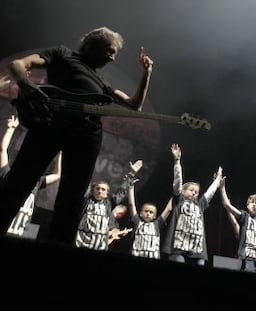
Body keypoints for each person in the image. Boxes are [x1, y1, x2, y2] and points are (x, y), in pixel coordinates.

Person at [0, 26, 154, 244]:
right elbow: (16, 65)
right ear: (93, 45)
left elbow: (134, 105)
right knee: (18, 184)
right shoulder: (62, 54)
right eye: (109, 51)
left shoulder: (101, 83)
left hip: (84, 137)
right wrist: (26, 86)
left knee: (71, 200)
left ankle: (59, 257)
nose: (111, 58)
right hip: (49, 126)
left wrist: (146, 74)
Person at [0, 114, 62, 238]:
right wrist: (10, 129)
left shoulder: (36, 182)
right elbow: (3, 150)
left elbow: (57, 174)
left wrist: (59, 153)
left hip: (20, 234)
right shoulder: (8, 174)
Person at [161, 143, 223, 266]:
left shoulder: (200, 205)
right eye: (191, 190)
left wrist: (217, 181)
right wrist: (177, 161)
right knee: (179, 261)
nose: (194, 193)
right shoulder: (179, 201)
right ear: (183, 192)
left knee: (200, 264)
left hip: (196, 243)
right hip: (179, 241)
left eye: (196, 192)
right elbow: (177, 181)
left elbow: (209, 194)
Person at [75, 159, 141, 251]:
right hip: (80, 242)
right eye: (97, 188)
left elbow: (121, 192)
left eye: (103, 189)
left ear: (107, 194)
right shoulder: (87, 201)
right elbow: (86, 182)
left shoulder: (109, 204)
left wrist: (132, 173)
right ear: (93, 191)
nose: (99, 191)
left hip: (99, 245)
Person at [127, 160, 173, 259]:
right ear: (140, 213)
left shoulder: (157, 223)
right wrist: (131, 183)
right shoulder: (137, 221)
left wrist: (176, 192)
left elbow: (168, 209)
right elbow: (131, 204)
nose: (148, 213)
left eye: (151, 212)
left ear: (155, 216)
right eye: (146, 211)